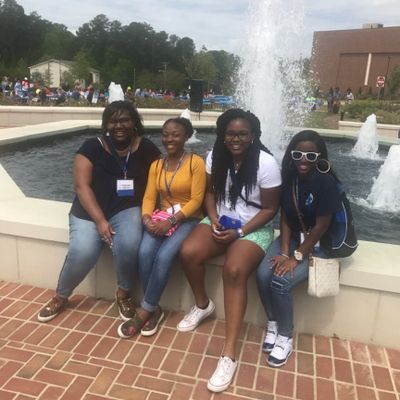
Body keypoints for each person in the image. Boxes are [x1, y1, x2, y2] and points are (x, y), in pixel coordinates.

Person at [177, 109, 281, 392]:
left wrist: (240, 232)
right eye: (231, 134)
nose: (236, 139)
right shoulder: (216, 156)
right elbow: (211, 193)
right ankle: (203, 305)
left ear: (253, 135)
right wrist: (213, 220)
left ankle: (228, 354)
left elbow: (270, 209)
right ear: (223, 135)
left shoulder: (266, 163)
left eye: (243, 134)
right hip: (220, 220)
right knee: (188, 252)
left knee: (233, 271)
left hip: (253, 227)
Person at [37, 100, 161, 323]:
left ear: (134, 122)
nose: (118, 125)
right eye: (113, 121)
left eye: (124, 120)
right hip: (88, 211)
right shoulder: (91, 147)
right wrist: (101, 221)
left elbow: (163, 178)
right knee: (83, 251)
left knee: (129, 244)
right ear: (106, 125)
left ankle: (123, 294)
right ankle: (61, 296)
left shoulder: (147, 149)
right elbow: (81, 187)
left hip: (126, 209)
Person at [256, 130, 342, 368]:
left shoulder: (325, 182)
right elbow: (285, 217)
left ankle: (285, 337)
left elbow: (322, 226)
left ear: (319, 156)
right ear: (291, 154)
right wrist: (284, 251)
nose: (303, 160)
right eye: (298, 154)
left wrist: (296, 257)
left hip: (317, 244)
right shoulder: (290, 178)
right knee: (262, 274)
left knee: (280, 281)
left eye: (310, 155)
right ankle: (273, 323)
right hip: (293, 239)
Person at [117, 117, 207, 338]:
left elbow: (197, 200)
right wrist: (147, 218)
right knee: (144, 252)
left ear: (186, 137)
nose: (169, 139)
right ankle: (155, 309)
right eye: (165, 134)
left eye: (176, 135)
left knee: (165, 256)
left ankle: (145, 309)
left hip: (188, 219)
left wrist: (172, 221)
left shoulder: (195, 163)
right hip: (161, 218)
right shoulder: (157, 165)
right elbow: (149, 196)